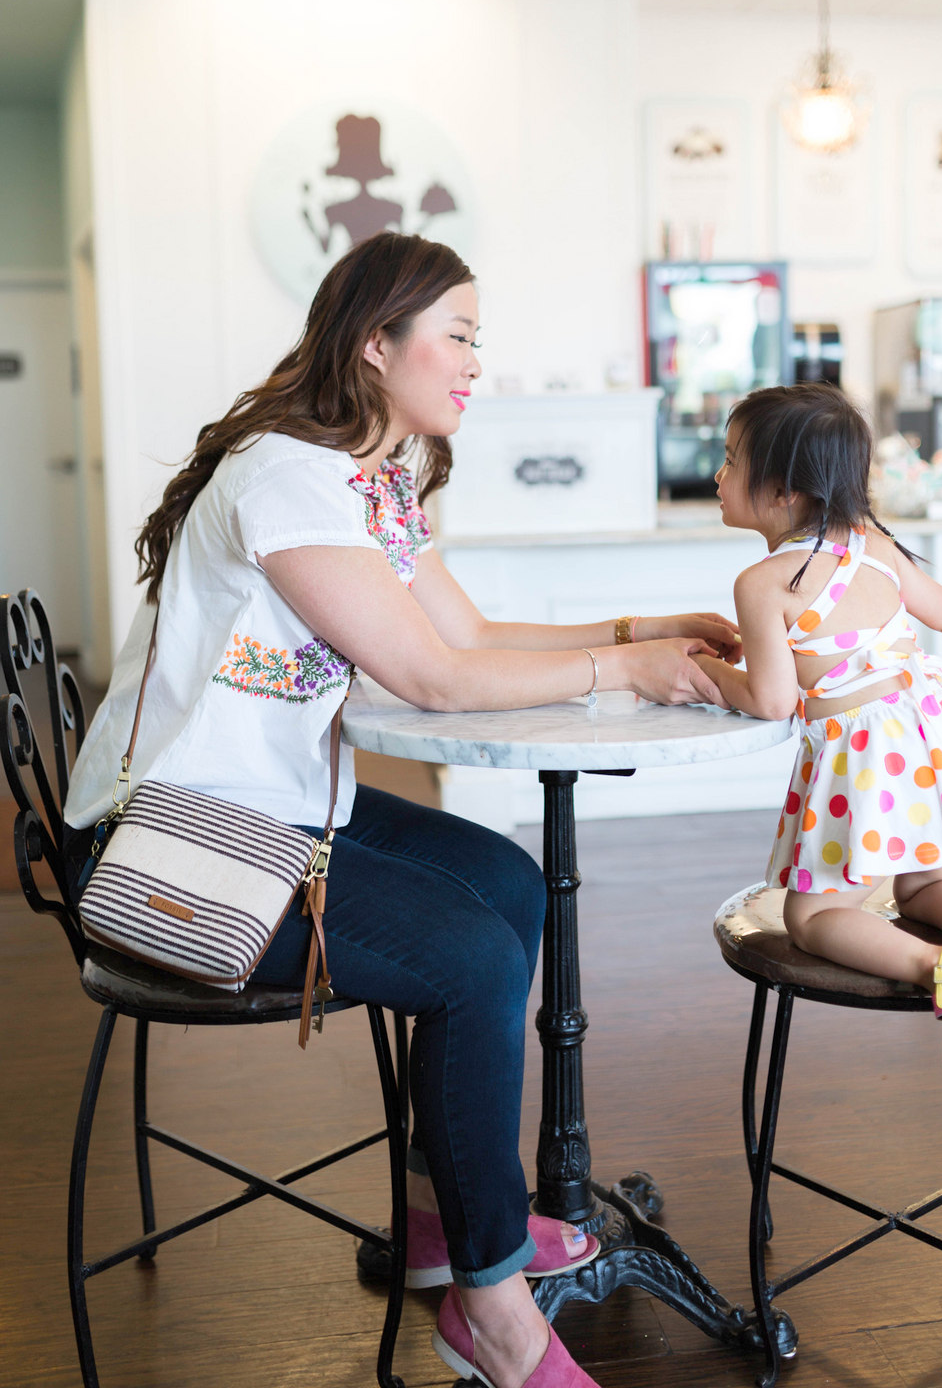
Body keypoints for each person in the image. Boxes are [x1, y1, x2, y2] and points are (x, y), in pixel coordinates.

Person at [63, 230, 742, 1388]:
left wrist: (642, 630)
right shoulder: (289, 475)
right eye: (460, 335)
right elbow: (429, 679)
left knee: (510, 883)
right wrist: (622, 673)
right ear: (376, 346)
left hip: (269, 806)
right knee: (475, 960)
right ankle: (494, 1311)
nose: (478, 362)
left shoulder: (371, 479)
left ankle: (446, 1224)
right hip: (168, 842)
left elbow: (466, 635)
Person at [692, 382, 942, 1103]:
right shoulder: (874, 544)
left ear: (782, 492)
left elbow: (771, 700)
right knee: (923, 879)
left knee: (815, 916)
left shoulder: (764, 582)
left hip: (872, 771)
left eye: (732, 459)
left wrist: (705, 673)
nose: (717, 474)